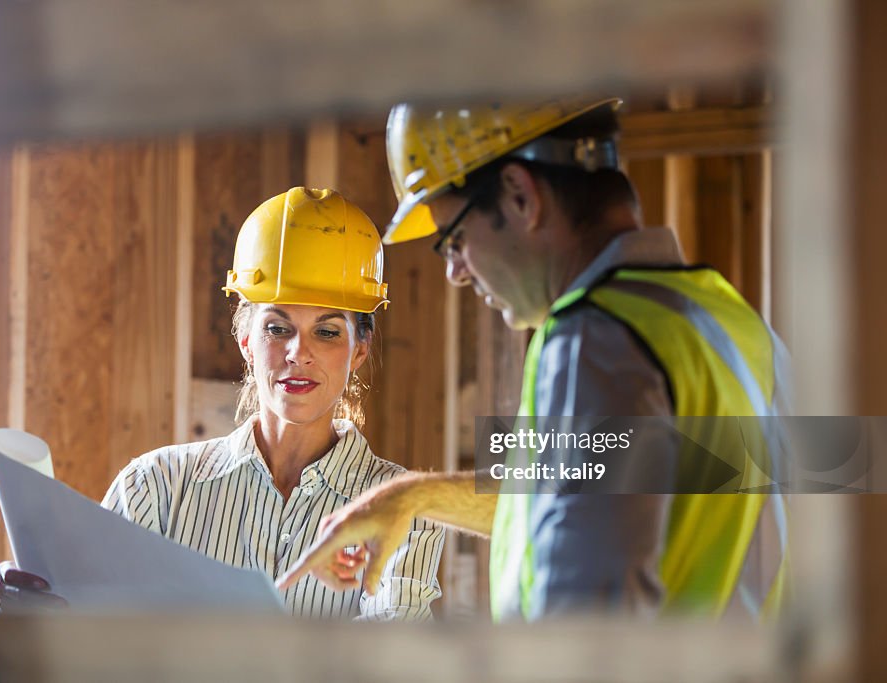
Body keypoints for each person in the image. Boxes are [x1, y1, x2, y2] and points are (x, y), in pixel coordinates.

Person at [278, 98, 791, 622]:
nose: (455, 271)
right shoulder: (737, 328)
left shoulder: (594, 339)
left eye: (454, 239)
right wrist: (413, 496)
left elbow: (579, 624)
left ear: (521, 196)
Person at [0, 187, 445, 621]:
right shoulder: (154, 489)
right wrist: (41, 627)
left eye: (327, 332)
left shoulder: (404, 509)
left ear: (359, 351)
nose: (298, 353)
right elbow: (94, 651)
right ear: (246, 339)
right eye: (277, 328)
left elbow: (391, 663)